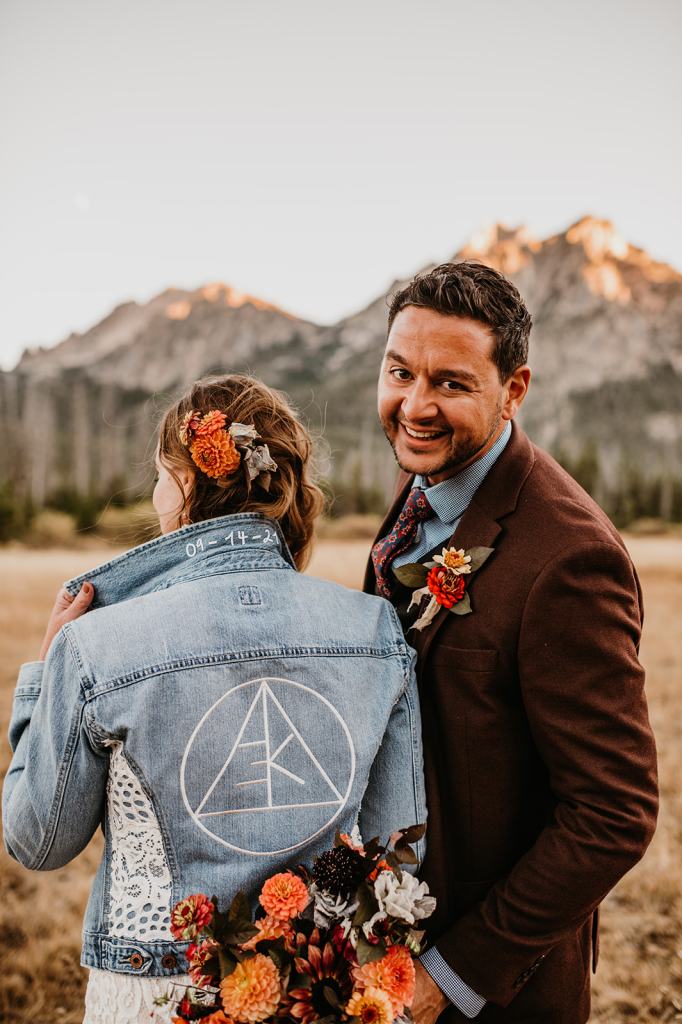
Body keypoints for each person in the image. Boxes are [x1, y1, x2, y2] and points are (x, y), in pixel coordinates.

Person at [3, 374, 426, 1024]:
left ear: (184, 483)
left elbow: (37, 841)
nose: (154, 494)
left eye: (158, 476)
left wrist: (43, 673)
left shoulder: (95, 643)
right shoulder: (374, 630)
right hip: (321, 989)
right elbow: (400, 847)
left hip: (158, 995)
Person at [364, 262, 658, 1023]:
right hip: (387, 949)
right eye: (400, 372)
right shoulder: (422, 488)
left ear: (514, 390)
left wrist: (452, 975)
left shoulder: (570, 557)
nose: (415, 405)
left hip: (491, 994)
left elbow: (614, 812)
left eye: (451, 383)